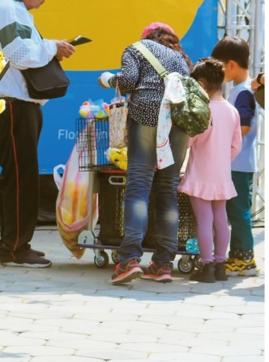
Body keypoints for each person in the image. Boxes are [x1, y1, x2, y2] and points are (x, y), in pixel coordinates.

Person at [0, 0, 75, 269]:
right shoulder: (7, 9)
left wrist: (49, 46)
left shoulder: (13, 8)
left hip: (18, 104)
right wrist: (52, 46)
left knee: (18, 178)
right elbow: (20, 55)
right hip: (13, 104)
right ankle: (15, 249)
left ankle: (14, 245)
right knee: (20, 179)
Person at [99, 24, 191, 284]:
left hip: (148, 116)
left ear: (145, 38)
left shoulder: (135, 49)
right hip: (179, 122)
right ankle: (162, 265)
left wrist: (108, 79)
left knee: (139, 186)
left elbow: (127, 82)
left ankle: (128, 260)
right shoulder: (181, 58)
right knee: (167, 189)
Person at [179, 58, 241, 283]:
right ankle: (220, 265)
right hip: (222, 174)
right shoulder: (232, 111)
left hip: (200, 173)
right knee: (221, 220)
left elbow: (189, 141)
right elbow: (236, 145)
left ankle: (206, 267)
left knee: (203, 221)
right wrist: (223, 158)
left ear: (202, 83)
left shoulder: (203, 111)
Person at [211, 35, 260, 276]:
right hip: (236, 164)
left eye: (220, 66)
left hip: (239, 165)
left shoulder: (243, 92)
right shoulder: (240, 90)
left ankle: (245, 258)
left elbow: (244, 126)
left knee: (239, 211)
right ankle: (238, 256)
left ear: (231, 65)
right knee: (235, 210)